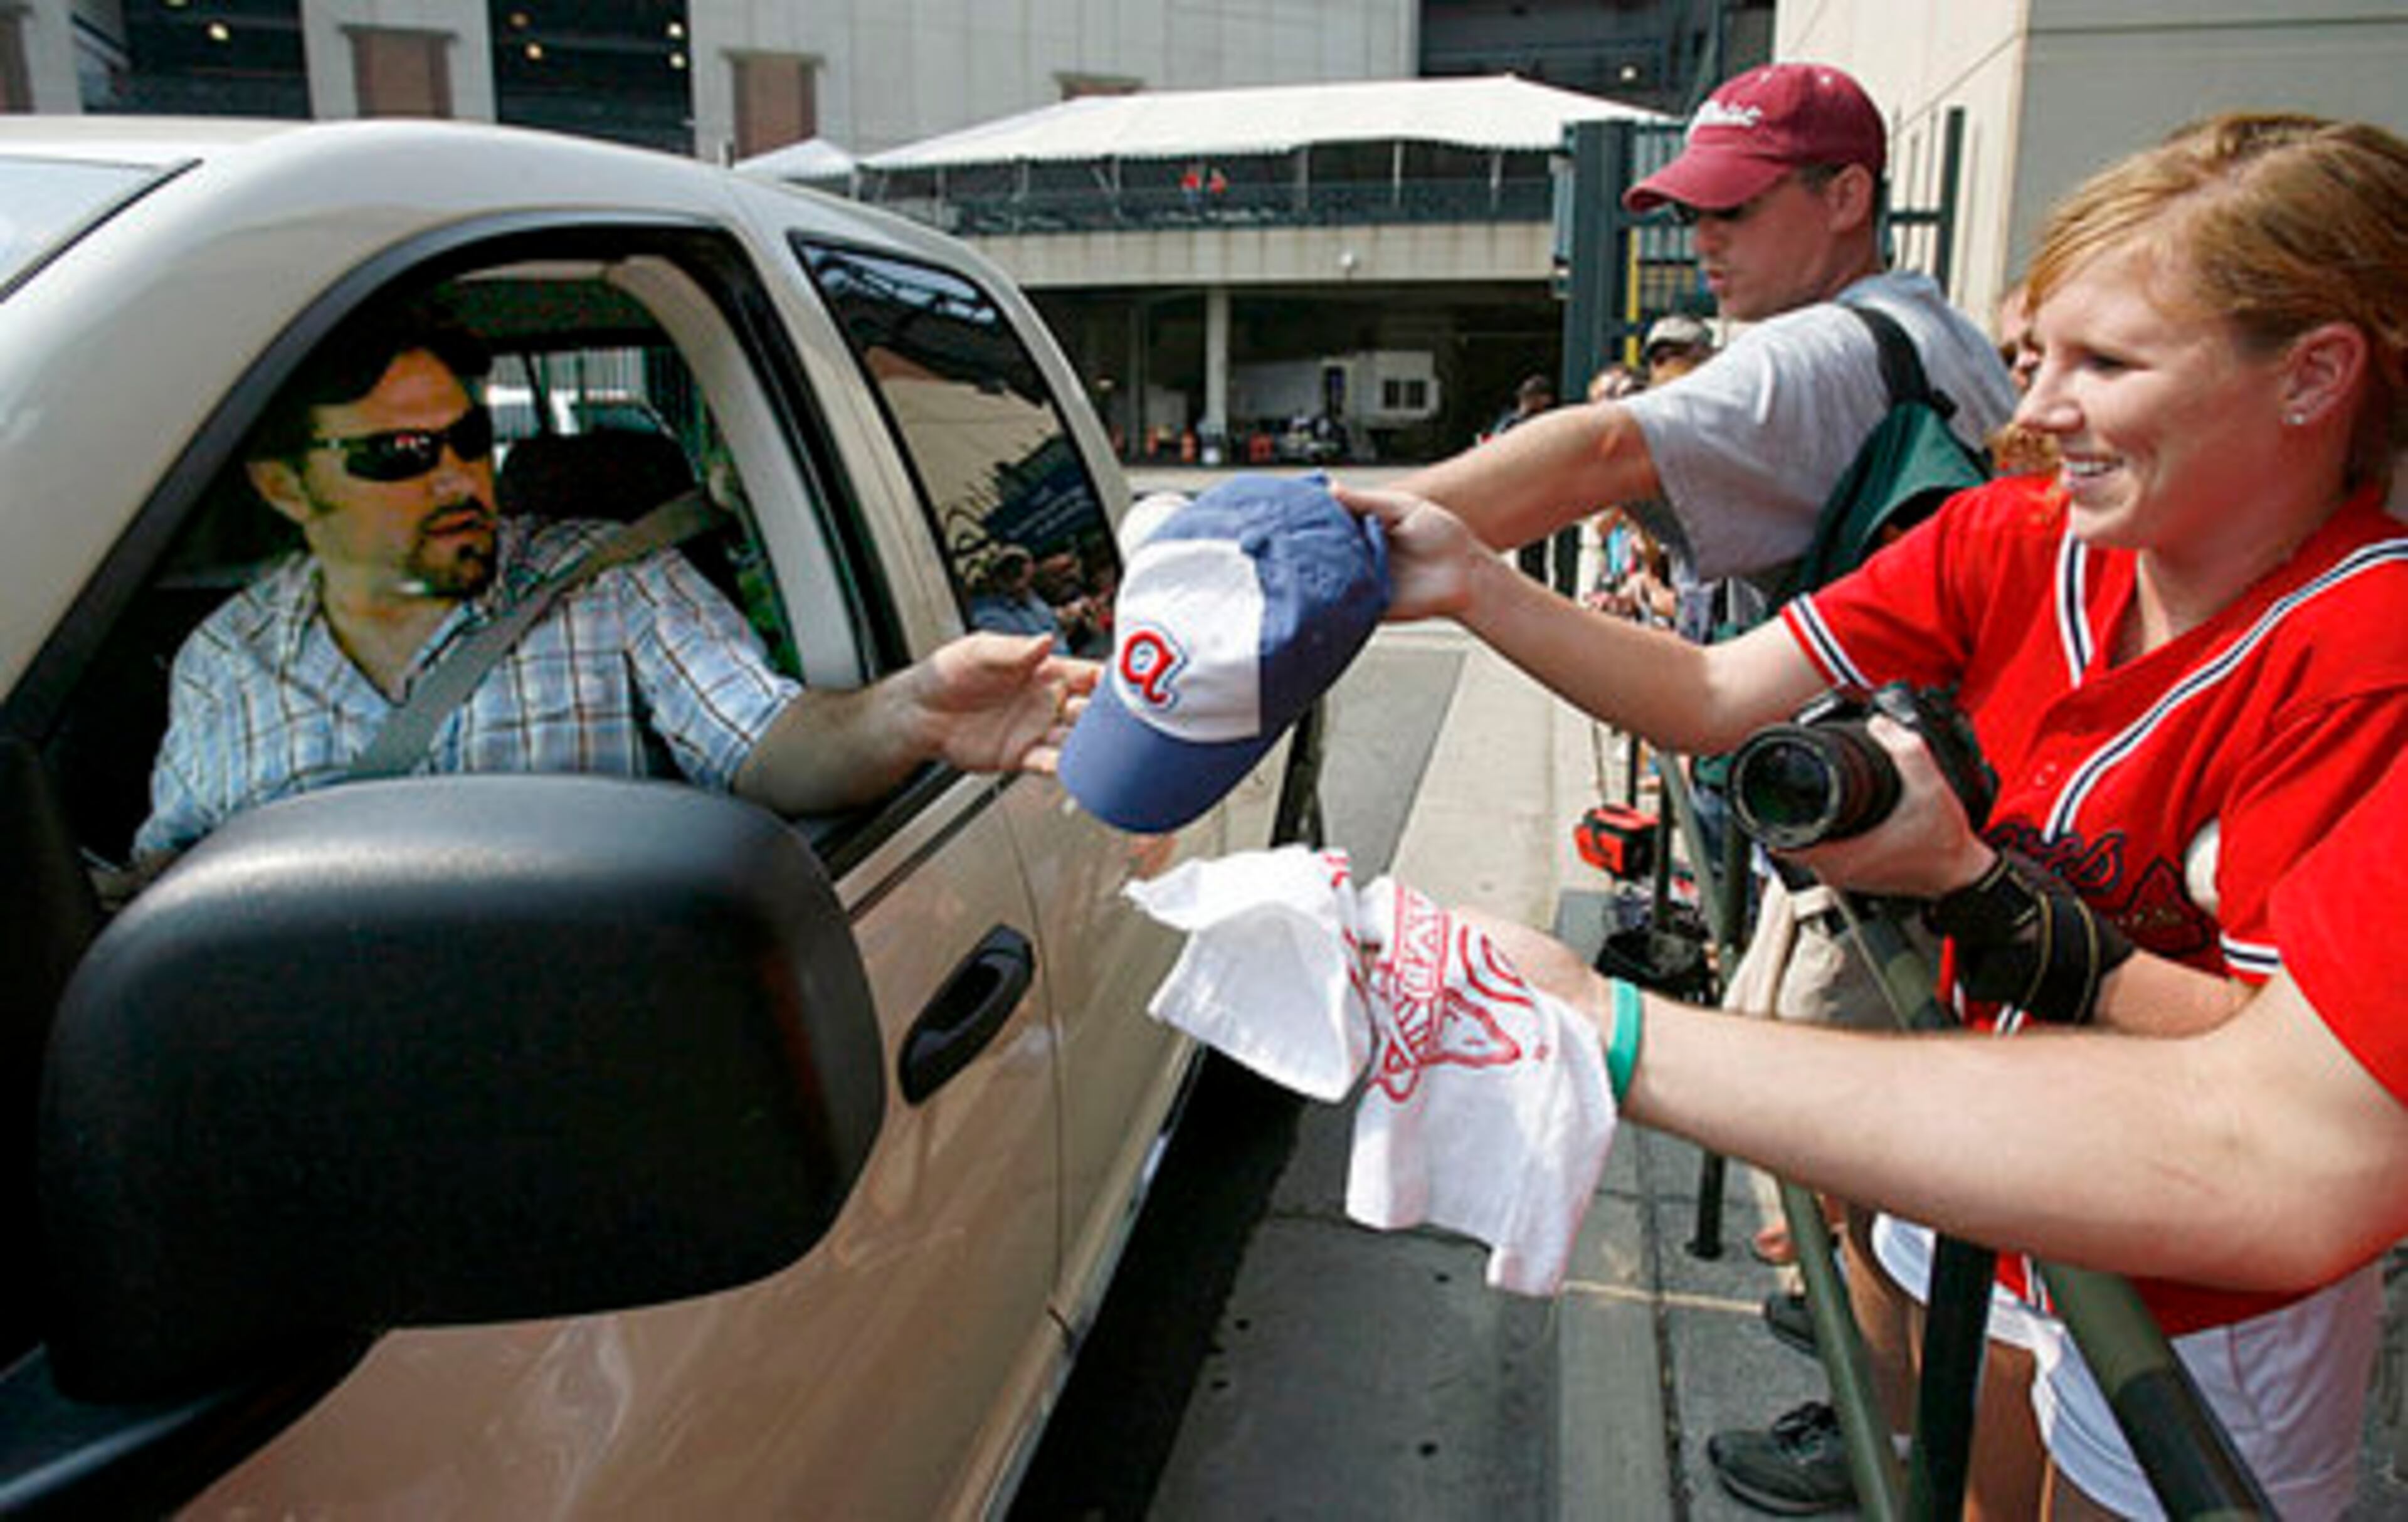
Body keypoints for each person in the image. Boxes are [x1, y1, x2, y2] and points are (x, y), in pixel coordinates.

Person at [1339, 111, 2408, 1519]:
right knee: (1954, 1475)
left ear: (2314, 375)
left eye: (2106, 364)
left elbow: (2283, 1097)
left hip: (2196, 1282)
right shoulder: (2018, 536)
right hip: (1993, 1166)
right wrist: (1475, 581)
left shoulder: (2369, 649)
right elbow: (1719, 690)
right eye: (2039, 358)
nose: (2037, 413)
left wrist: (1969, 888)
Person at [135, 302, 1087, 865]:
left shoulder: (605, 580)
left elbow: (769, 740)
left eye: (470, 439)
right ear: (282, 484)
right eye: (399, 454)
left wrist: (911, 712)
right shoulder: (227, 658)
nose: (459, 478)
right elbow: (172, 887)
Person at [1395, 61, 2012, 598]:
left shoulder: (1824, 348)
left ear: (1846, 198)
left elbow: (1605, 452)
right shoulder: (1944, 329)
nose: (1702, 239)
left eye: (1735, 207)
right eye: (1692, 212)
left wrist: (1332, 529)